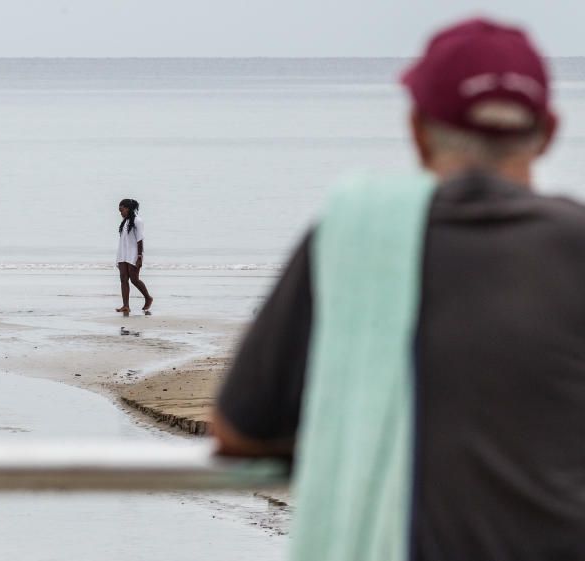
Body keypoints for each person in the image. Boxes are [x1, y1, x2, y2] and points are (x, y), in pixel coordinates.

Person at [213, 18, 583, 561]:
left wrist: (370, 427)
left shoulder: (352, 235)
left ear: (416, 128)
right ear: (549, 132)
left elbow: (240, 429)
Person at [115, 199, 153, 315]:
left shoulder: (138, 221)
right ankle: (126, 306)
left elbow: (140, 239)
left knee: (134, 279)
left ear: (128, 208)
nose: (120, 213)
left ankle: (148, 298)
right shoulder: (125, 221)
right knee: (123, 279)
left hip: (133, 254)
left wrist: (140, 257)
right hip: (123, 253)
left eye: (121, 210)